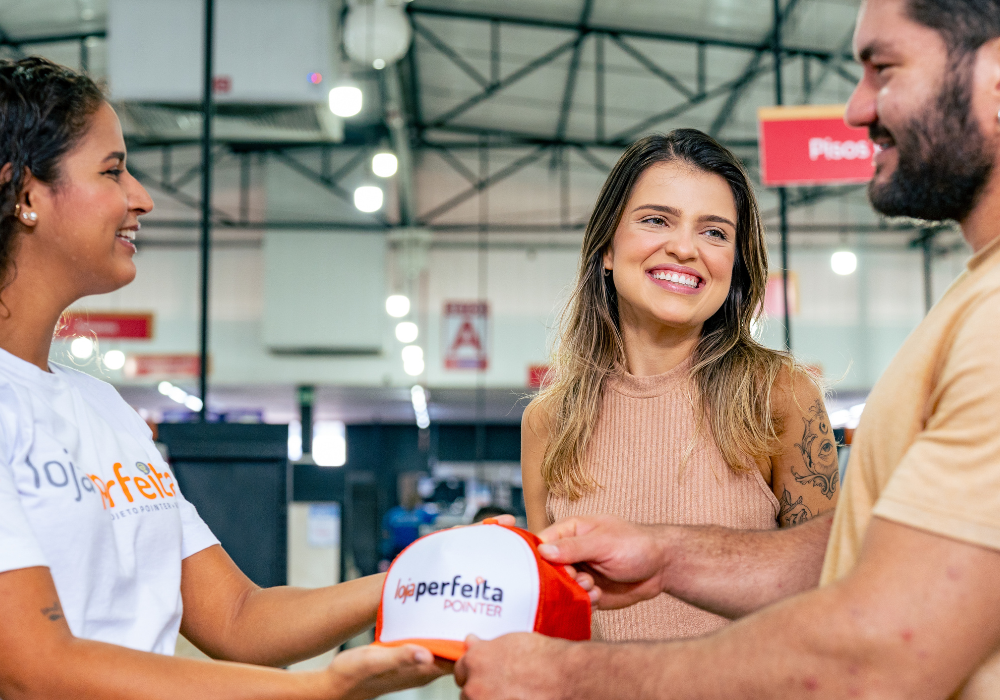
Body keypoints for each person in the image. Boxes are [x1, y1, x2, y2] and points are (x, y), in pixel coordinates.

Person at [454, 0, 1000, 697]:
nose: (855, 109)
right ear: (607, 253)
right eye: (656, 220)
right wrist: (666, 556)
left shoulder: (802, 386)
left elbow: (869, 651)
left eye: (882, 68)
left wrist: (572, 678)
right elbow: (844, 560)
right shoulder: (970, 305)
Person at [0, 57, 442, 699]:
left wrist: (426, 573)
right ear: (26, 193)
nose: (142, 198)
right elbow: (32, 667)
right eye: (113, 170)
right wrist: (316, 693)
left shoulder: (105, 409)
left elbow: (239, 617)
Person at [521, 130, 838, 641]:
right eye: (655, 220)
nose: (685, 248)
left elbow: (829, 592)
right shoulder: (549, 421)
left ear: (734, 265)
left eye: (714, 232)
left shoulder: (779, 395)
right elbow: (558, 616)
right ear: (606, 247)